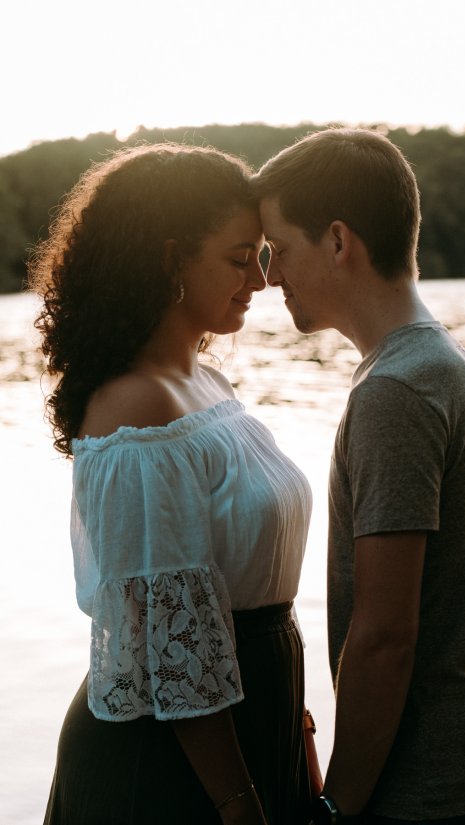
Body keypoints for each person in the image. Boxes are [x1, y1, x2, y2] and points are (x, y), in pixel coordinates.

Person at [253, 128, 465, 824]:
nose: (269, 276)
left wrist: (338, 805)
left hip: (438, 790)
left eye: (279, 249)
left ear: (339, 241)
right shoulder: (436, 361)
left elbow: (386, 635)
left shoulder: (397, 391)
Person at [30, 143, 316, 825]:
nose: (260, 278)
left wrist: (294, 729)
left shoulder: (205, 383)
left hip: (248, 729)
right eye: (238, 258)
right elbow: (175, 655)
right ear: (169, 260)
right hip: (173, 764)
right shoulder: (138, 409)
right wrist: (240, 803)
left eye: (264, 255)